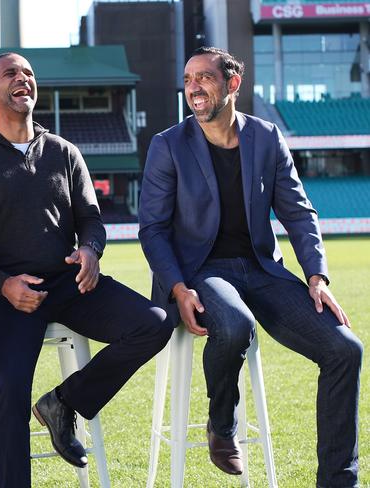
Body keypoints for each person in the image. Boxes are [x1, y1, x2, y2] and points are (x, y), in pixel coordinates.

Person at [0, 52, 172, 488]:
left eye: (28, 73)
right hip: (6, 293)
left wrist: (90, 249)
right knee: (10, 393)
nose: (22, 78)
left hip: (68, 282)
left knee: (154, 323)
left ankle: (64, 402)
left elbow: (91, 219)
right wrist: (2, 283)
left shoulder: (63, 151)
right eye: (10, 73)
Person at [138, 46, 362, 486]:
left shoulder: (266, 138)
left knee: (345, 350)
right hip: (200, 269)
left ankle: (339, 480)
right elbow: (153, 230)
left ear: (232, 84)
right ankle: (222, 424)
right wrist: (178, 287)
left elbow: (298, 212)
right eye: (187, 80)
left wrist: (317, 275)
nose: (194, 87)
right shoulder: (168, 145)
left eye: (204, 77)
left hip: (261, 270)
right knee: (237, 325)